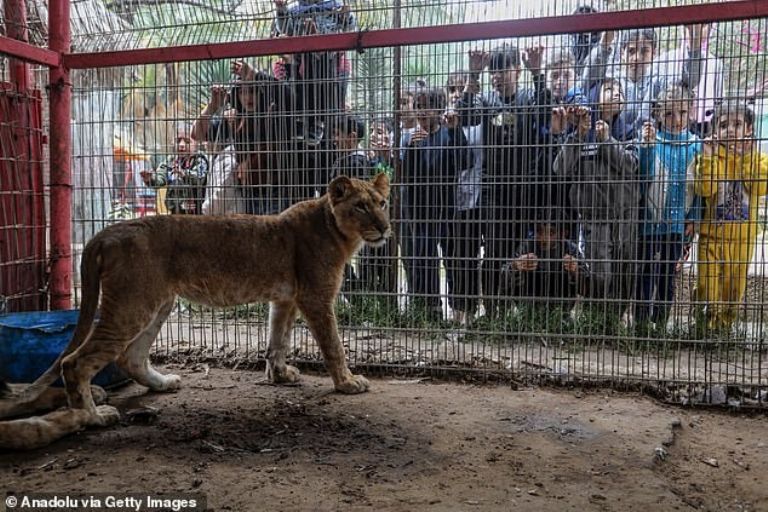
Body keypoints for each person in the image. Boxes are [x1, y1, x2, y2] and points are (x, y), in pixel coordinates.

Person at [456, 44, 550, 319]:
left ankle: (518, 313)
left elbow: (545, 111)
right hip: (493, 189)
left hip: (523, 189)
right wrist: (473, 75)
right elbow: (465, 114)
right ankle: (493, 312)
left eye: (502, 69)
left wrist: (538, 71)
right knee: (494, 249)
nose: (496, 76)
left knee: (521, 250)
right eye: (492, 70)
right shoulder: (485, 101)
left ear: (517, 70)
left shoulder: (529, 96)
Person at [553, 78, 639, 323]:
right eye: (609, 89)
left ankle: (615, 321)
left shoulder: (629, 129)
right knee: (600, 274)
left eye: (620, 90)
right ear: (595, 96)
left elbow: (632, 165)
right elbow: (560, 168)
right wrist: (579, 135)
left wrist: (607, 141)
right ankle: (596, 321)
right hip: (595, 219)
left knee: (625, 273)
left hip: (625, 217)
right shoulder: (582, 130)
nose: (616, 93)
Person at [693, 101, 768, 332]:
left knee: (734, 288)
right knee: (707, 284)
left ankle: (724, 329)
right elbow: (705, 189)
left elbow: (759, 187)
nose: (730, 130)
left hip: (743, 239)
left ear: (748, 129)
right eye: (724, 125)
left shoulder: (760, 158)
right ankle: (704, 327)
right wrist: (708, 158)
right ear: (715, 131)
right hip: (712, 236)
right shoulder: (708, 156)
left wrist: (746, 157)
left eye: (737, 124)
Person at [636, 84, 702, 331]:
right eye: (669, 114)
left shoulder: (696, 145)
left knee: (668, 276)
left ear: (691, 112)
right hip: (650, 223)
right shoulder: (653, 141)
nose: (676, 120)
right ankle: (641, 325)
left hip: (678, 226)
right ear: (658, 114)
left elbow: (699, 187)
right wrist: (647, 148)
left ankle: (661, 323)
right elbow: (642, 179)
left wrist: (693, 218)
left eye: (682, 113)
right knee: (645, 274)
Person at [402, 87, 471, 321]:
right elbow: (406, 178)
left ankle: (457, 309)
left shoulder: (448, 134)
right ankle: (430, 311)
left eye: (426, 107)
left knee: (452, 261)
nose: (421, 112)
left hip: (447, 210)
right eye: (418, 107)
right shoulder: (412, 140)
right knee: (424, 260)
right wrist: (411, 150)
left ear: (439, 109)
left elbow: (465, 162)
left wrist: (455, 132)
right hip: (421, 214)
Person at [582, 26, 704, 134]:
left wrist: (695, 42)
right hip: (610, 148)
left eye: (644, 51)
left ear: (654, 53)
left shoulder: (660, 81)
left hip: (648, 149)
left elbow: (688, 82)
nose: (637, 58)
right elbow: (587, 83)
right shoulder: (611, 80)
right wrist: (605, 42)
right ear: (622, 54)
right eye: (631, 51)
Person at [500, 210, 590, 315]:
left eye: (551, 233)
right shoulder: (527, 246)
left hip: (560, 309)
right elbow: (502, 280)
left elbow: (586, 289)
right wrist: (514, 266)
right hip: (528, 305)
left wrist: (576, 271)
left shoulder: (571, 249)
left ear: (563, 234)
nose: (543, 238)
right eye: (539, 231)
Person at [658, 23, 725, 137]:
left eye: (703, 26)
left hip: (704, 124)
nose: (695, 29)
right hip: (671, 123)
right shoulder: (667, 58)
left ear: (710, 30)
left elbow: (719, 100)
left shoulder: (715, 62)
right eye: (689, 26)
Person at [141, 125, 209, 215]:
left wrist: (184, 174)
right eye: (178, 141)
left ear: (196, 143)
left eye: (187, 141)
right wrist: (150, 178)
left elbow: (200, 178)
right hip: (175, 210)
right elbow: (161, 176)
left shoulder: (200, 159)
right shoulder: (172, 159)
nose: (181, 145)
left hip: (196, 211)